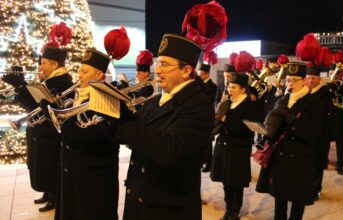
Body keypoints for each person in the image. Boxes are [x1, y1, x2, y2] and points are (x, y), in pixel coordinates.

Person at [112, 34, 214, 220]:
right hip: (140, 202)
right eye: (157, 64)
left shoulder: (198, 105)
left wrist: (123, 125)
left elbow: (168, 149)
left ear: (186, 71)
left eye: (165, 64)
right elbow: (134, 130)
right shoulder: (157, 100)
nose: (157, 71)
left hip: (167, 208)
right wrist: (113, 112)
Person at [2, 46, 73, 212]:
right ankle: (48, 194)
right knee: (42, 166)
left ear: (55, 65)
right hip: (40, 133)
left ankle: (54, 196)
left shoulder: (60, 82)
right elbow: (31, 106)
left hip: (48, 135)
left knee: (49, 166)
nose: (40, 67)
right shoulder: (50, 80)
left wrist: (21, 87)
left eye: (43, 63)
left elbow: (35, 105)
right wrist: (20, 86)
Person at [53, 48, 121, 220]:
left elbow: (91, 135)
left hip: (93, 177)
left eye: (84, 71)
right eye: (79, 70)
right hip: (75, 170)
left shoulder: (106, 98)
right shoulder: (80, 95)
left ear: (99, 75)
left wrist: (61, 121)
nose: (79, 75)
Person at [255, 62, 322, 220]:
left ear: (304, 81)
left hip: (300, 157)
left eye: (294, 80)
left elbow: (311, 134)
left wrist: (288, 115)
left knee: (298, 200)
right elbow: (274, 121)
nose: (290, 84)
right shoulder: (284, 99)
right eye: (288, 80)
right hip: (280, 156)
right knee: (280, 197)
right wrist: (266, 131)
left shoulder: (314, 102)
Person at [210, 73, 261, 220]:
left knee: (236, 183)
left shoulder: (250, 106)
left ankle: (235, 212)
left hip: (238, 148)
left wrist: (225, 117)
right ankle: (228, 209)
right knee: (225, 181)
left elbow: (245, 128)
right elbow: (216, 122)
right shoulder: (227, 103)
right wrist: (219, 110)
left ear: (243, 89)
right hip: (223, 146)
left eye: (233, 87)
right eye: (228, 86)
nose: (229, 89)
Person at [305, 64, 332, 200]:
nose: (310, 81)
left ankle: (316, 189)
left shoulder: (325, 93)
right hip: (306, 134)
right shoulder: (303, 92)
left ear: (319, 80)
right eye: (308, 78)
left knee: (317, 163)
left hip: (320, 135)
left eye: (313, 78)